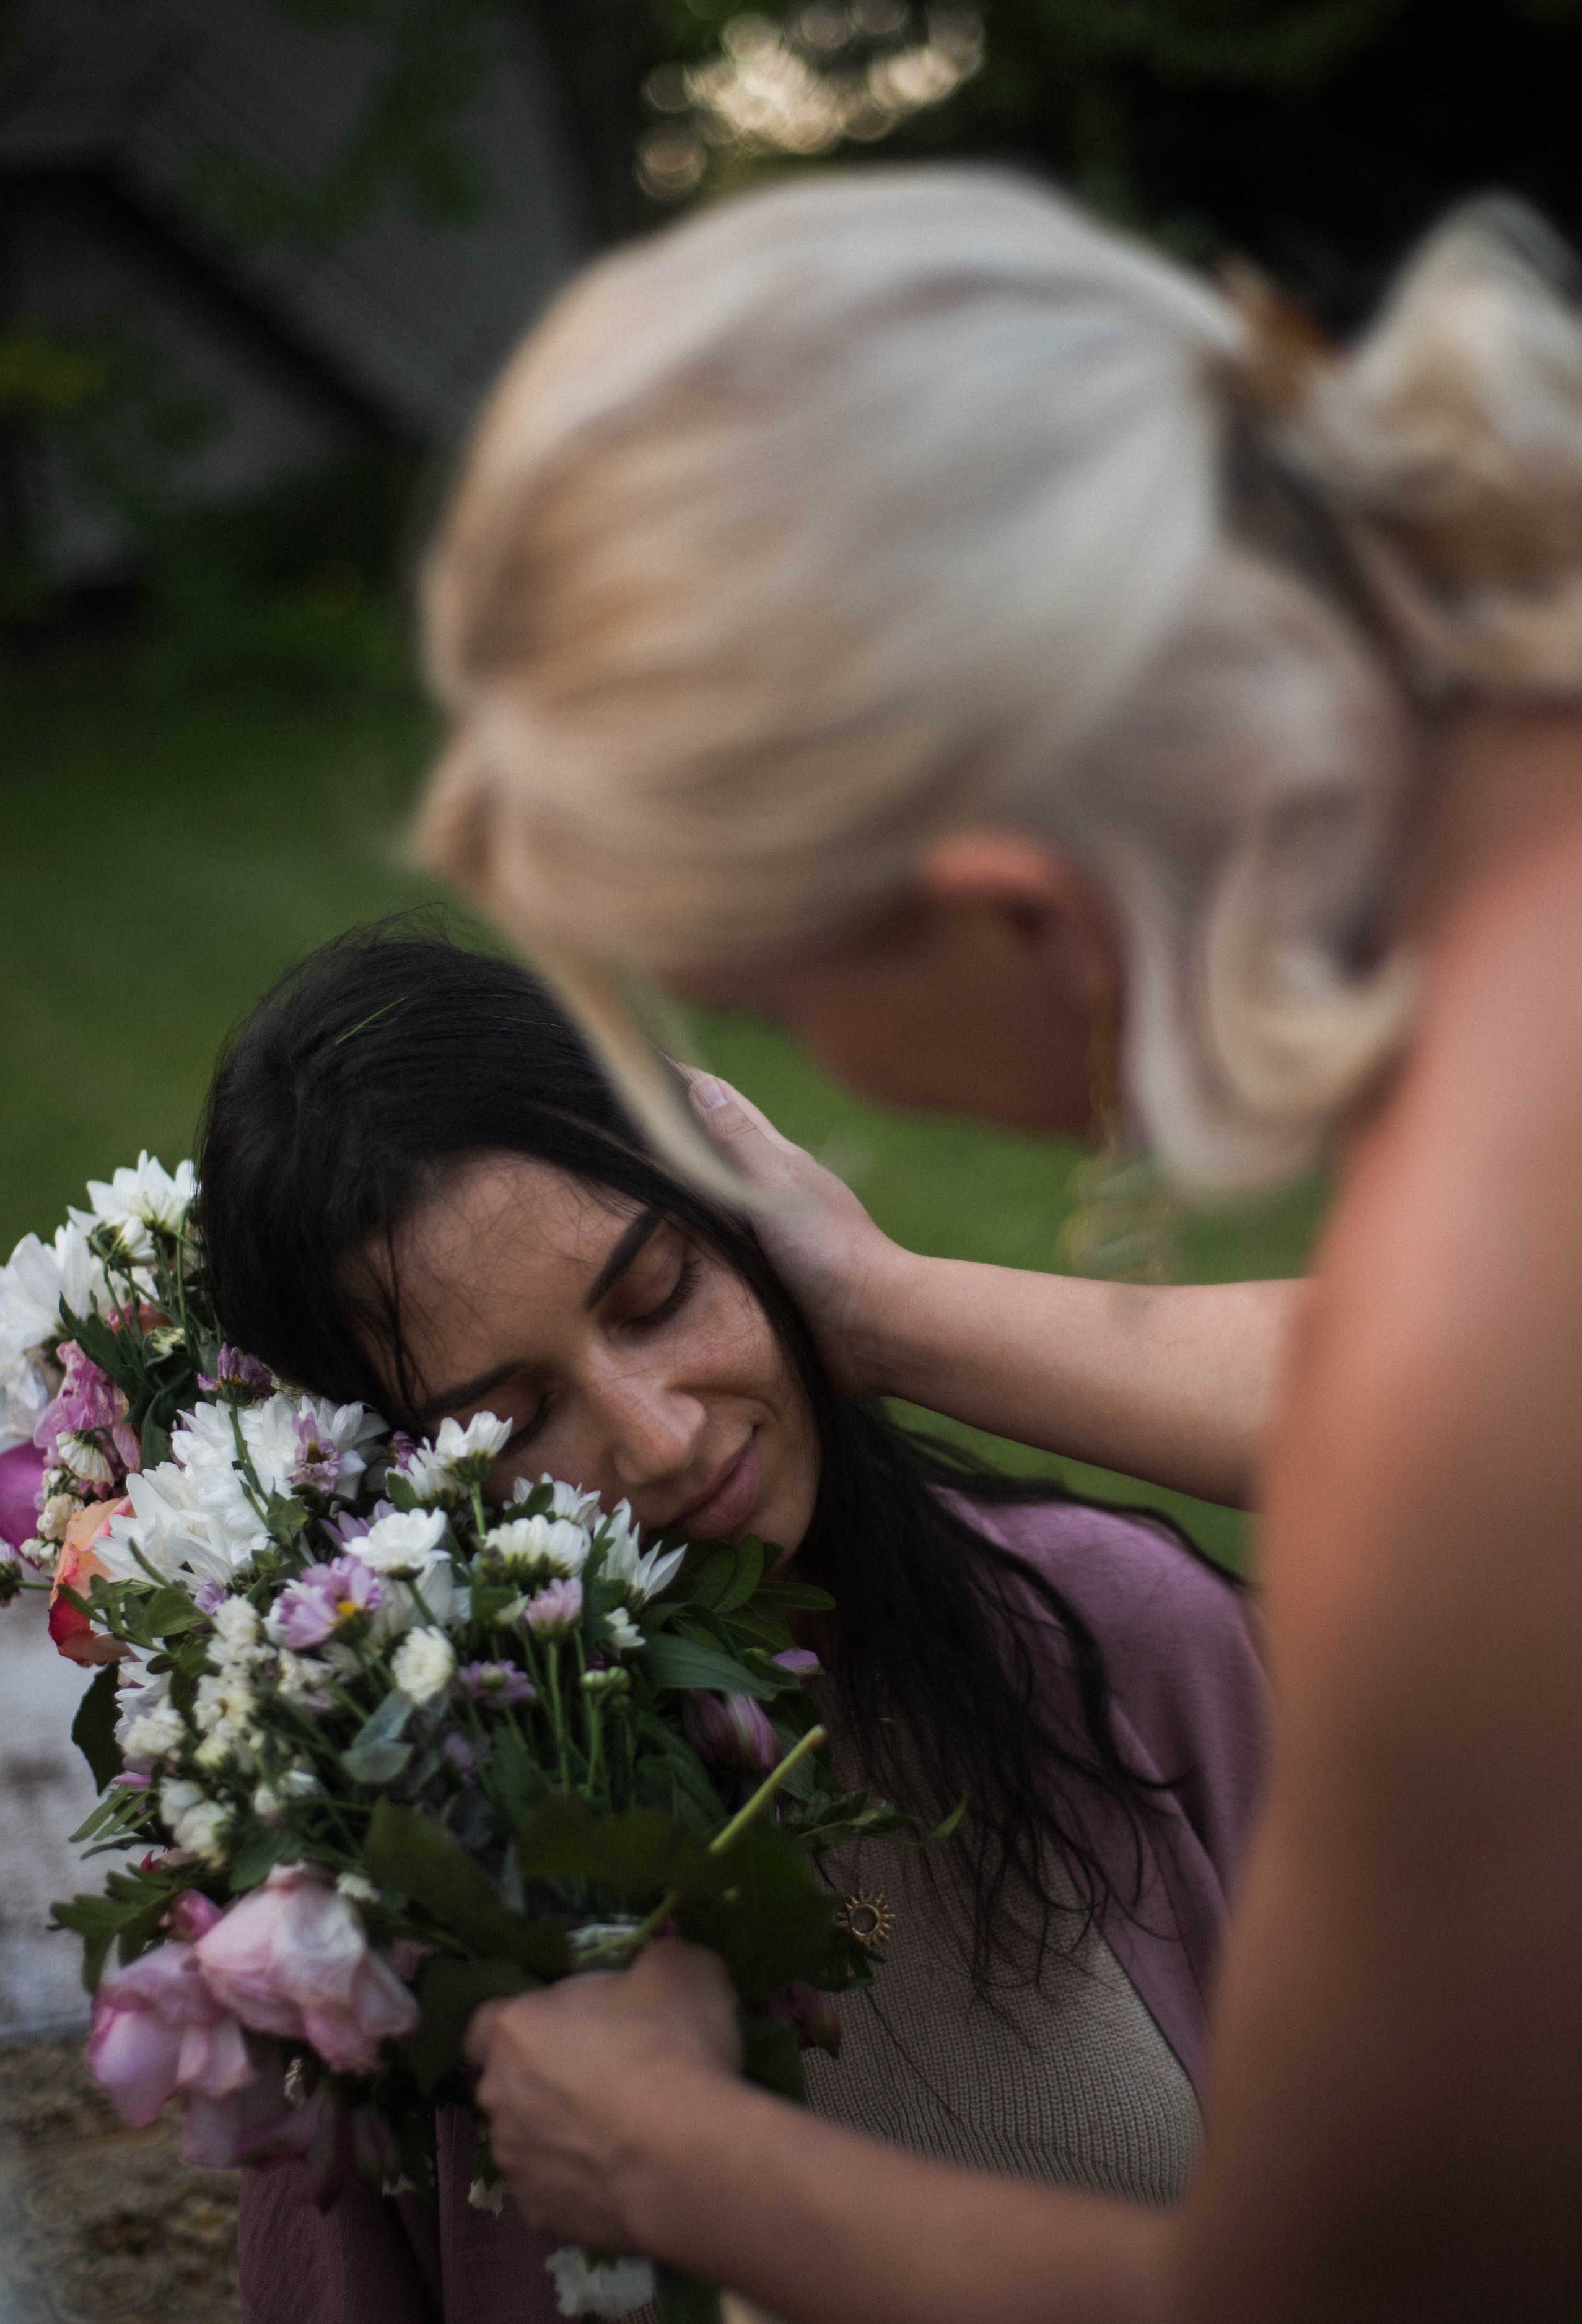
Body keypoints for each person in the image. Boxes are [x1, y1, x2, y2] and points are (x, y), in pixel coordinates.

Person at [409, 173, 1582, 2320]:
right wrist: (877, 1303)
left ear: (1015, 902)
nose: (822, 1070)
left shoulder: (1466, 1417)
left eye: (770, 1002)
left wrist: (677, 2155)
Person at [196, 928, 1269, 2324]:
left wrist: (881, 1305)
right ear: (379, 1488)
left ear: (748, 1226)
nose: (660, 1434)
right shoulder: (386, 1895)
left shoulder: (1133, 1645)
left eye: (658, 1293)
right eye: (510, 1421)